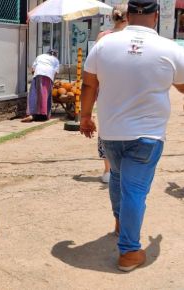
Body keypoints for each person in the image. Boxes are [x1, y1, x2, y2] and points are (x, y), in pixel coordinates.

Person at [80, 0, 184, 272]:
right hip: (148, 137)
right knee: (134, 190)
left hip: (112, 133)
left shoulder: (103, 45)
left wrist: (85, 117)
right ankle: (128, 252)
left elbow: (89, 84)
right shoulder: (170, 48)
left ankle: (119, 221)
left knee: (116, 176)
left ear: (128, 15)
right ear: (156, 15)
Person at [96, 4, 128, 183]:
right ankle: (125, 168)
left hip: (106, 90)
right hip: (129, 90)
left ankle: (108, 170)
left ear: (112, 18)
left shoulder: (103, 36)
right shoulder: (134, 37)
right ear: (128, 17)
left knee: (106, 128)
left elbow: (93, 66)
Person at [21, 49, 60, 122]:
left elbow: (33, 70)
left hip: (37, 74)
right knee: (45, 95)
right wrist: (52, 81)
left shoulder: (40, 56)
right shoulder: (56, 60)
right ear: (55, 54)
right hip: (48, 75)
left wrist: (36, 76)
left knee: (34, 94)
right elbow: (55, 72)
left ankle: (31, 113)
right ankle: (43, 115)